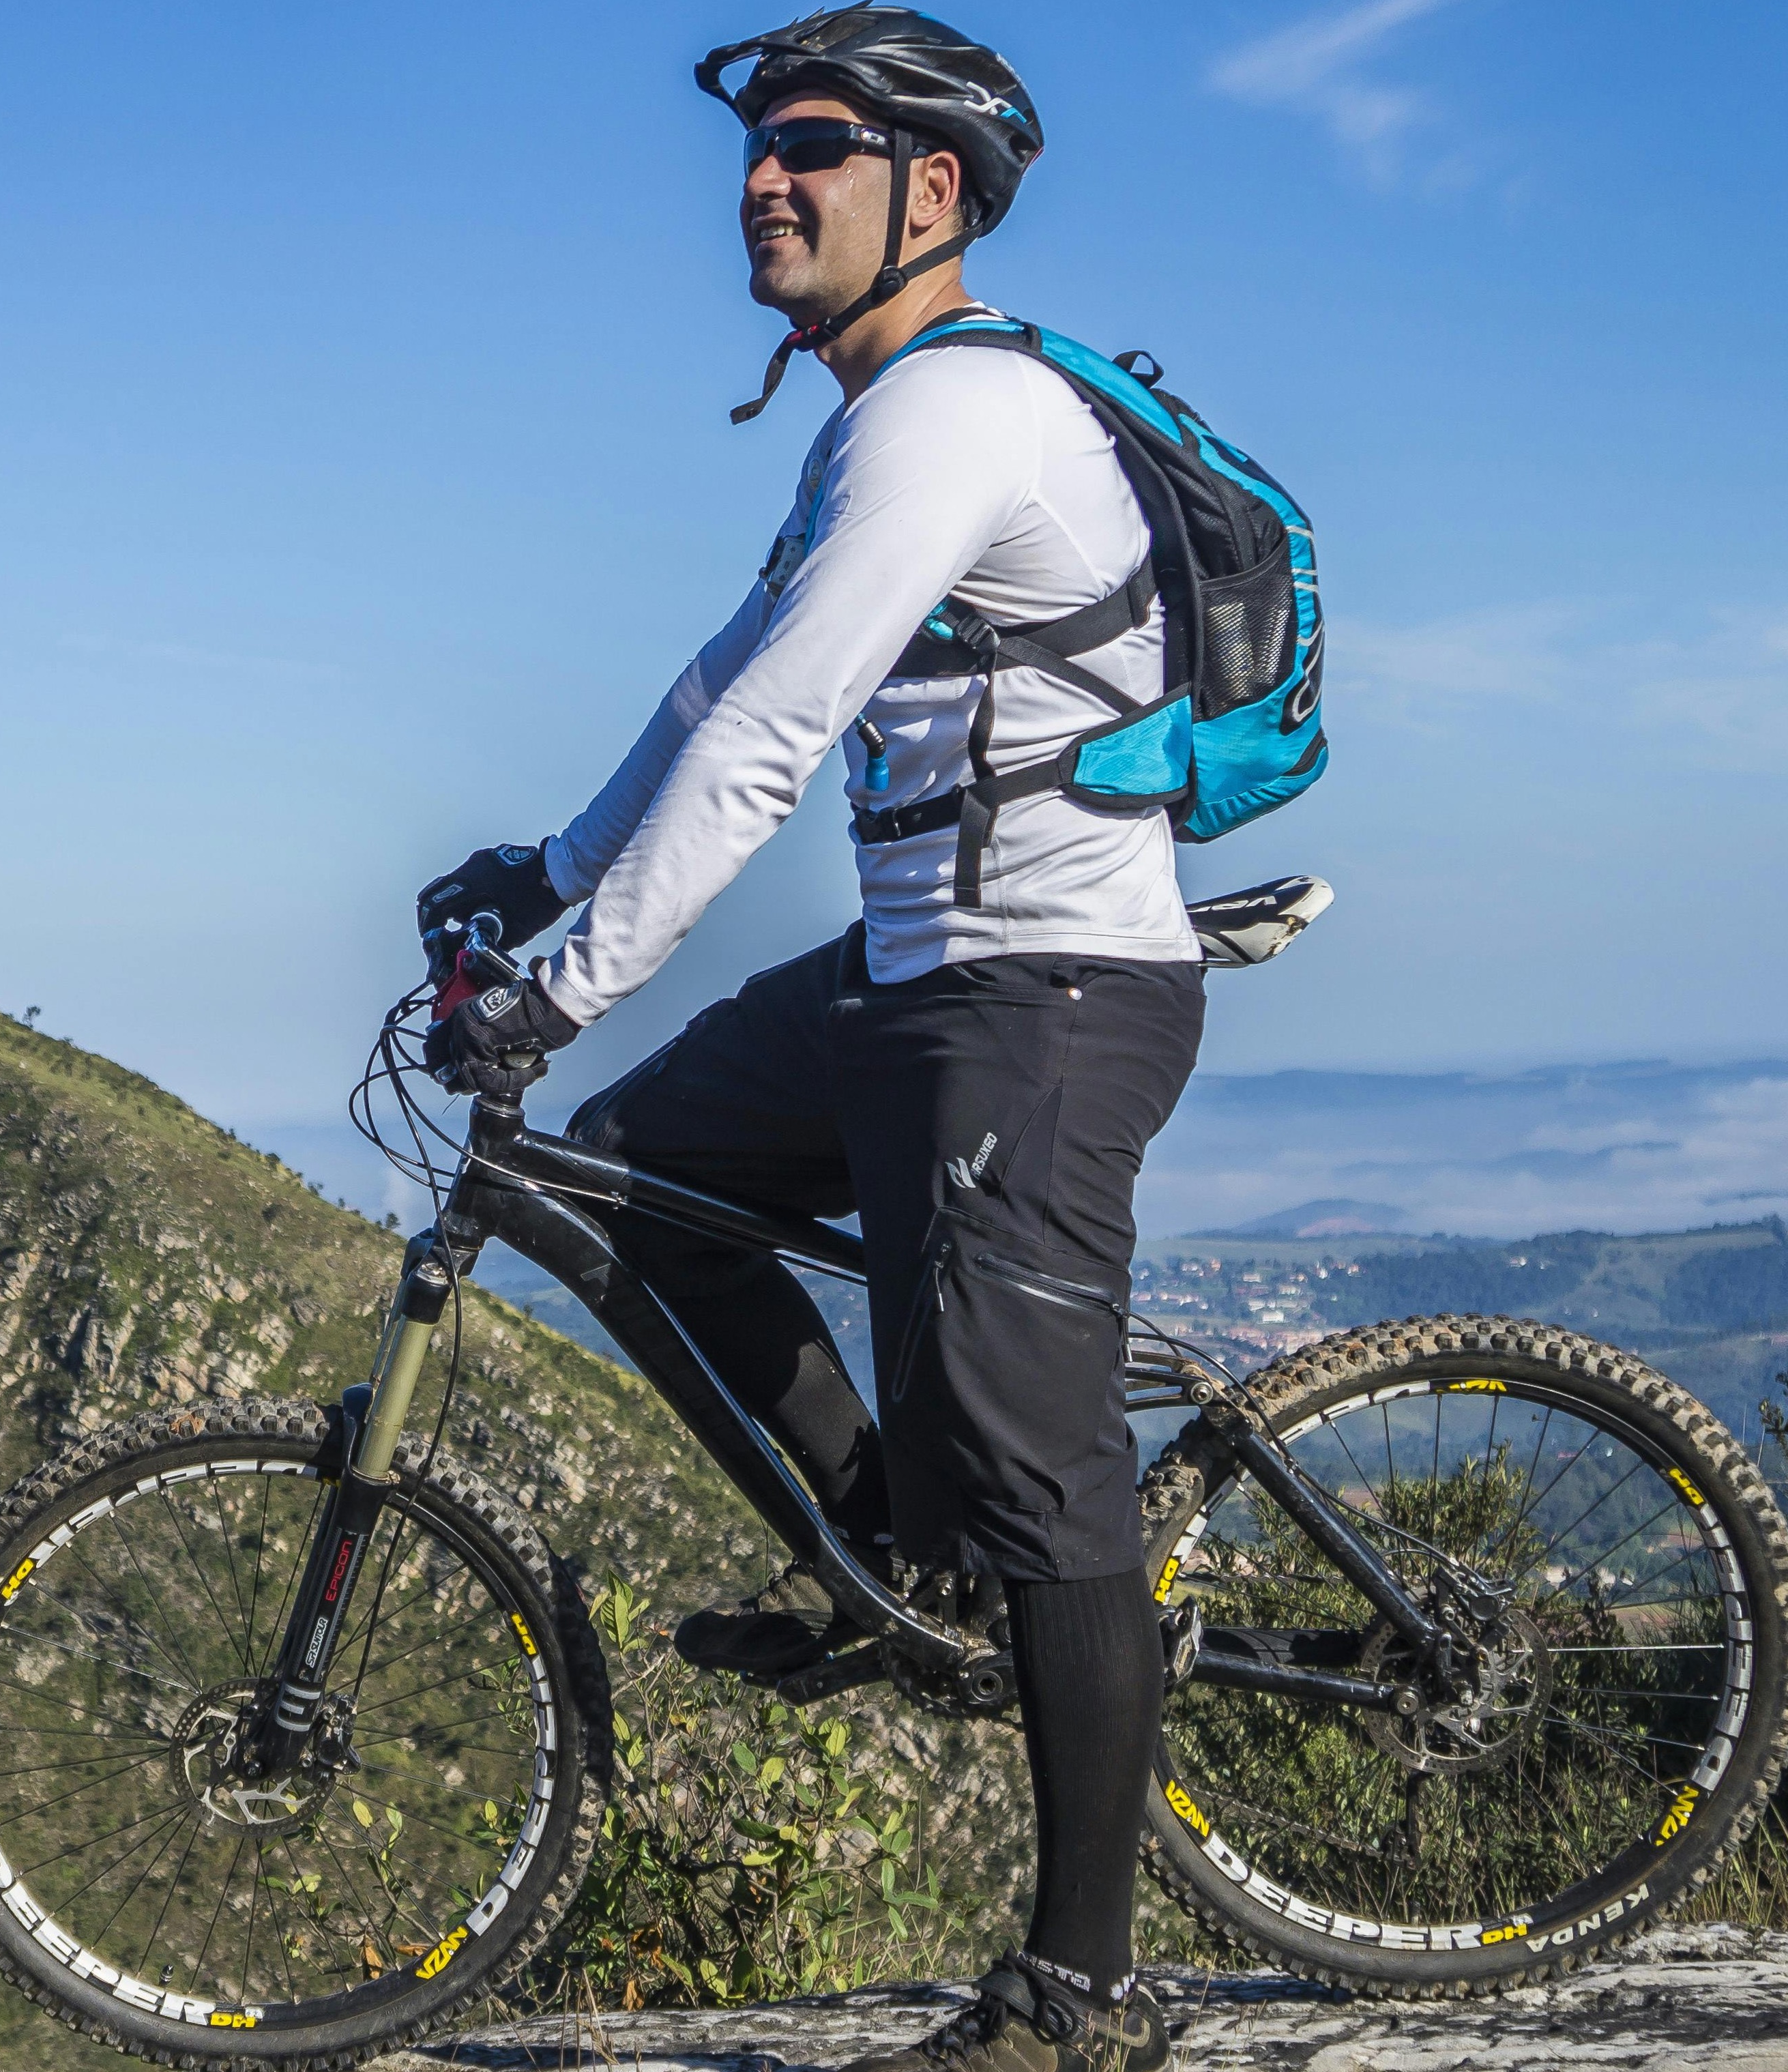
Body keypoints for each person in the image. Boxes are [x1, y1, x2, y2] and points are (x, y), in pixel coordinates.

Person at [413, 11, 1207, 2069]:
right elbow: (715, 687)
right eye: (757, 152)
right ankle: (891, 1559)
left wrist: (565, 975)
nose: (766, 181)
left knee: (1047, 1486)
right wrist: (543, 865)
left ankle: (1086, 1992)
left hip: (1047, 987)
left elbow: (776, 744)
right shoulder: (867, 424)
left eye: (817, 149)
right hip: (912, 969)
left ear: (928, 194)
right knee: (644, 1183)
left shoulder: (961, 418)